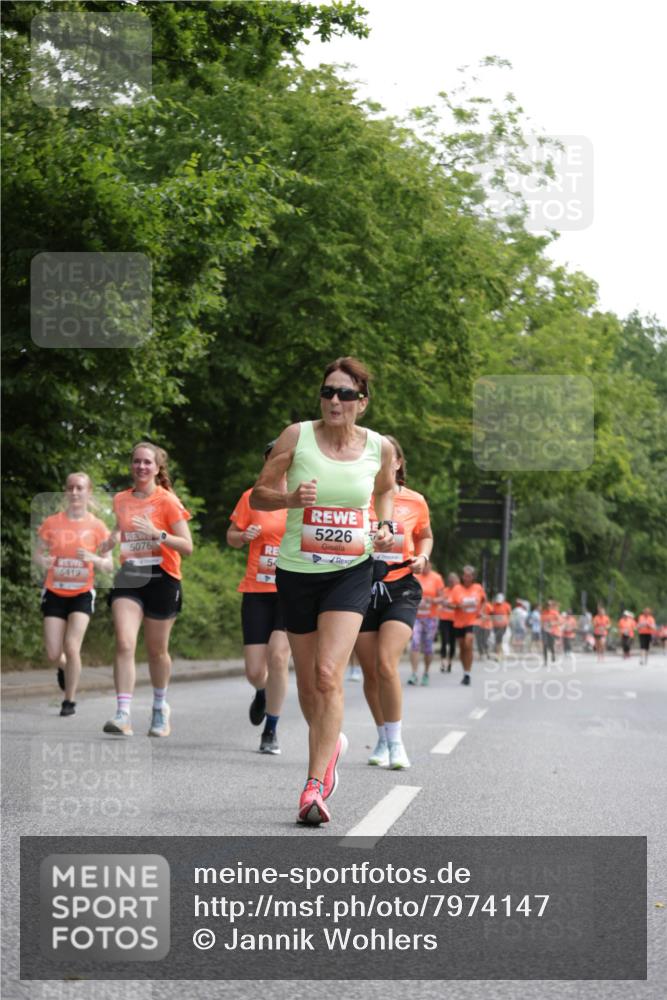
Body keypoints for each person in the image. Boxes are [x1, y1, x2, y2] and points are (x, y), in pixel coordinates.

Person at [250, 357, 394, 826]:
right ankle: (329, 745)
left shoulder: (379, 447)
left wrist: (386, 525)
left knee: (330, 674)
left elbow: (386, 491)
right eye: (328, 392)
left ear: (362, 403)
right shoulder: (297, 436)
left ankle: (313, 788)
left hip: (350, 570)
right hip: (296, 571)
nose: (334, 400)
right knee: (312, 683)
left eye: (345, 394)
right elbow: (258, 495)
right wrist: (290, 499)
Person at [100, 442, 193, 737]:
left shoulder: (167, 501)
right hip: (129, 575)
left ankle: (159, 707)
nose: (141, 467)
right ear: (132, 465)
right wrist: (111, 539)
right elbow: (121, 527)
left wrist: (158, 534)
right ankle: (123, 714)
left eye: (147, 463)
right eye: (137, 462)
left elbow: (187, 546)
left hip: (163, 578)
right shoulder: (121, 499)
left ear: (157, 468)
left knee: (156, 651)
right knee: (125, 642)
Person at [354, 435, 433, 769]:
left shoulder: (415, 501)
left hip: (401, 586)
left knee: (386, 663)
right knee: (371, 672)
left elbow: (425, 536)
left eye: (389, 458)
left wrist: (423, 558)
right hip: (360, 587)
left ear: (398, 463)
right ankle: (383, 738)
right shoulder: (358, 497)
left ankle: (398, 743)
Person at [227, 441, 290, 754]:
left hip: (291, 590)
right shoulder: (251, 497)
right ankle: (262, 692)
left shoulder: (303, 498)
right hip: (256, 589)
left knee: (278, 656)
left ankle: (271, 729)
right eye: (271, 458)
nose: (277, 463)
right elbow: (232, 537)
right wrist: (243, 536)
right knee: (254, 670)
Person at [34, 472, 112, 716]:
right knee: (54, 653)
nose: (75, 492)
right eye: (71, 488)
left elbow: (109, 564)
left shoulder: (98, 526)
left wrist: (94, 558)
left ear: (88, 492)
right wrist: (42, 560)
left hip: (81, 593)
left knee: (72, 645)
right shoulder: (52, 523)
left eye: (80, 488)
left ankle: (69, 700)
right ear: (65, 492)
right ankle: (64, 667)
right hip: (55, 591)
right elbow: (36, 553)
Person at [407, 560, 443, 687]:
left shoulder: (436, 578)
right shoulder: (415, 576)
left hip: (431, 617)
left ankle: (426, 673)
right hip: (415, 616)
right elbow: (407, 593)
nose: (425, 568)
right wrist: (415, 598)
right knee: (415, 642)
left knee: (428, 646)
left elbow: (442, 598)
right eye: (423, 566)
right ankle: (414, 673)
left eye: (427, 565)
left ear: (430, 565)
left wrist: (431, 600)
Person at [449, 566, 486, 685]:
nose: (467, 578)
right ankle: (465, 671)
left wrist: (481, 611)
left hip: (473, 621)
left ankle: (468, 673)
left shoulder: (478, 588)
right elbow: (450, 605)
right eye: (465, 575)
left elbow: (484, 601)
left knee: (468, 643)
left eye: (470, 575)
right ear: (462, 576)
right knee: (462, 647)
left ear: (473, 577)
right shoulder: (457, 588)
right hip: (459, 622)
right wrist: (459, 606)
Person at [439, 572, 459, 672]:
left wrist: (450, 605)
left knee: (452, 642)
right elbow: (440, 601)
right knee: (444, 640)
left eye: (453, 580)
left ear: (457, 581)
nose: (451, 582)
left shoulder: (459, 592)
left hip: (455, 620)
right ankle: (443, 662)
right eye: (450, 580)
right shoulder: (445, 591)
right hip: (444, 619)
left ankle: (450, 661)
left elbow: (459, 605)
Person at [490, 592, 511, 661]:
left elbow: (509, 614)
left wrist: (508, 622)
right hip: (495, 625)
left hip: (503, 625)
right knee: (498, 639)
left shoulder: (506, 605)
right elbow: (491, 614)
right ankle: (500, 654)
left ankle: (498, 654)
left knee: (499, 639)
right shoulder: (493, 605)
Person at [540, 599, 560, 666]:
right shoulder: (543, 613)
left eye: (549, 605)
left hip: (552, 631)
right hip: (545, 631)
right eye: (547, 605)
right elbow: (541, 622)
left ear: (551, 606)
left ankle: (553, 654)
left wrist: (553, 623)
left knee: (551, 645)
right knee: (545, 645)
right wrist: (543, 627)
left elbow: (560, 621)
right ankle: (545, 660)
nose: (548, 606)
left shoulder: (554, 613)